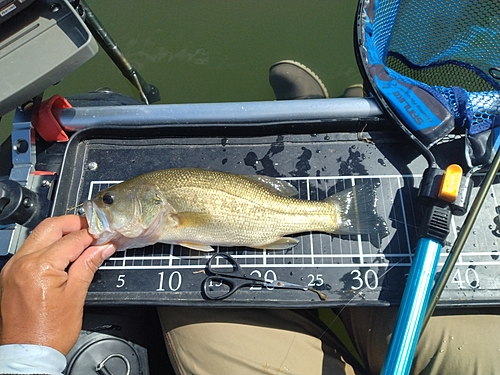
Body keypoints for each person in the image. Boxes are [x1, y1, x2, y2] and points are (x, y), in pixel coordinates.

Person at [1, 63, 500, 374]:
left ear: (152, 206)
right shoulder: (159, 212)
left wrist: (28, 355)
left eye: (108, 200)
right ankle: (333, 113)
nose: (99, 206)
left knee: (187, 311)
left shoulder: (163, 211)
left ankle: (331, 116)